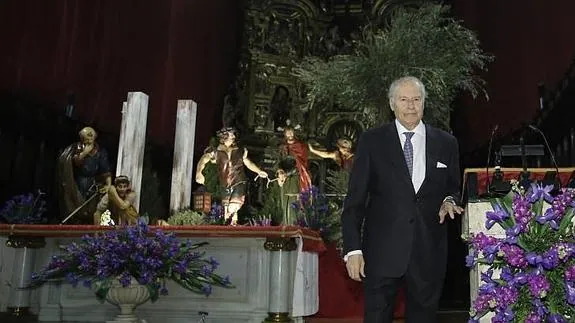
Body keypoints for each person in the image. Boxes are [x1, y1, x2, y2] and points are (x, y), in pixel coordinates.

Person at [341, 76, 464, 323]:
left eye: (416, 99)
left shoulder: (446, 143)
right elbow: (354, 201)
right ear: (392, 104)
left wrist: (449, 200)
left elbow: (453, 187)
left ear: (423, 103)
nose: (411, 105)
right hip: (381, 253)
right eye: (404, 99)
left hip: (428, 253)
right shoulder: (372, 141)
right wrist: (353, 249)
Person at [195, 127, 268, 225]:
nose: (233, 136)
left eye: (233, 134)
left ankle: (232, 222)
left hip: (238, 180)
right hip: (225, 182)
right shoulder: (215, 151)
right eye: (231, 134)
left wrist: (259, 171)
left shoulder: (240, 150)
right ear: (224, 137)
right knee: (226, 206)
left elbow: (248, 162)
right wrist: (199, 173)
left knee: (234, 205)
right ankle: (230, 224)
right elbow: (203, 160)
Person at [57, 126, 112, 223]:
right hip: (78, 181)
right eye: (87, 135)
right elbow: (75, 162)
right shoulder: (77, 148)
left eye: (91, 135)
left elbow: (105, 169)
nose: (89, 138)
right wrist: (85, 152)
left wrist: (108, 184)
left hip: (92, 181)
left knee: (91, 205)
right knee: (76, 201)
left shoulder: (100, 151)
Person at [279, 126, 312, 192]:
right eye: (288, 133)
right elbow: (280, 160)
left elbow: (303, 159)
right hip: (286, 176)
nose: (290, 134)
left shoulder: (300, 146)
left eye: (291, 132)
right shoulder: (283, 147)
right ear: (285, 134)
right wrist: (281, 172)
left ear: (294, 133)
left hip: (299, 174)